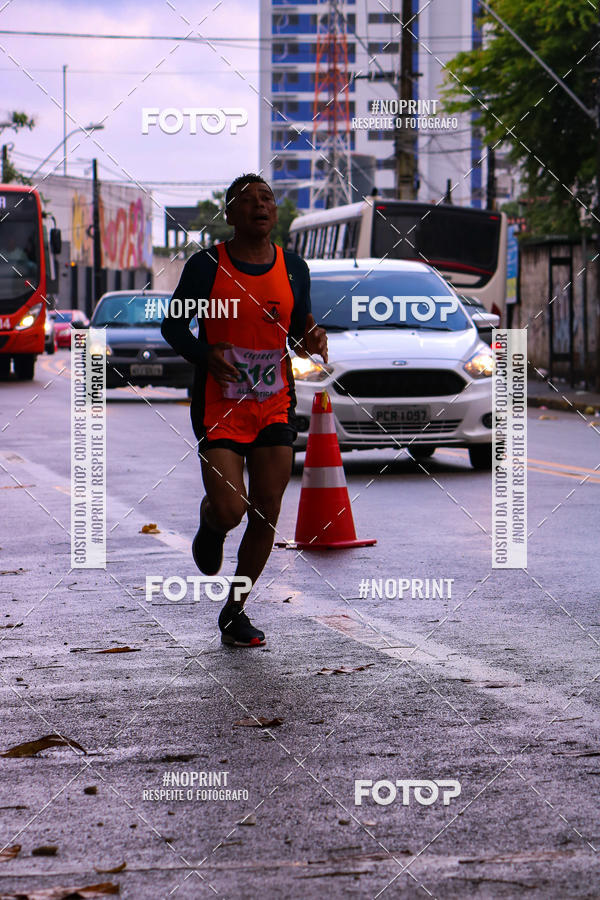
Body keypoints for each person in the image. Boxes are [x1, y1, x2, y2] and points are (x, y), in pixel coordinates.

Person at [161, 174, 328, 647]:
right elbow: (174, 327)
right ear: (230, 214)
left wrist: (312, 338)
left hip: (275, 404)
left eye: (267, 198)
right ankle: (211, 520)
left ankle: (235, 611)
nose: (260, 205)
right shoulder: (206, 266)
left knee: (265, 514)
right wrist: (203, 354)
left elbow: (300, 328)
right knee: (233, 509)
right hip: (221, 406)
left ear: (275, 212)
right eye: (248, 200)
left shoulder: (293, 267)